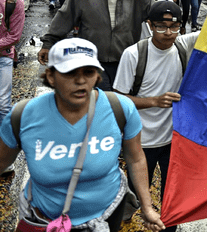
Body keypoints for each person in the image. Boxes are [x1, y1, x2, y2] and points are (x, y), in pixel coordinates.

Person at [0, 38, 165, 231]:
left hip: (107, 216)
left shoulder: (120, 108)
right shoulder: (24, 115)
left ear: (96, 76)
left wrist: (146, 207)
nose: (80, 81)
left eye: (88, 72)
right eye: (69, 72)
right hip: (44, 220)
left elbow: (135, 158)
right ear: (51, 77)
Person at [113, 2, 199, 232]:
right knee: (135, 193)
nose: (168, 33)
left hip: (174, 140)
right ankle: (126, 217)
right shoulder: (134, 54)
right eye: (161, 27)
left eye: (174, 26)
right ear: (149, 25)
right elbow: (118, 100)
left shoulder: (183, 45)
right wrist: (153, 101)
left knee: (172, 196)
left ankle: (169, 225)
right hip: (141, 143)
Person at [38, 0, 155, 91]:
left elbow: (159, 14)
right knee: (98, 106)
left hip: (126, 63)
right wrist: (48, 43)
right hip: (92, 62)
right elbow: (64, 18)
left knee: (122, 107)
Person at [0, 0, 23, 169]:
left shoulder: (14, 1)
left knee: (3, 105)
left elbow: (14, 36)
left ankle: (5, 155)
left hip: (3, 59)